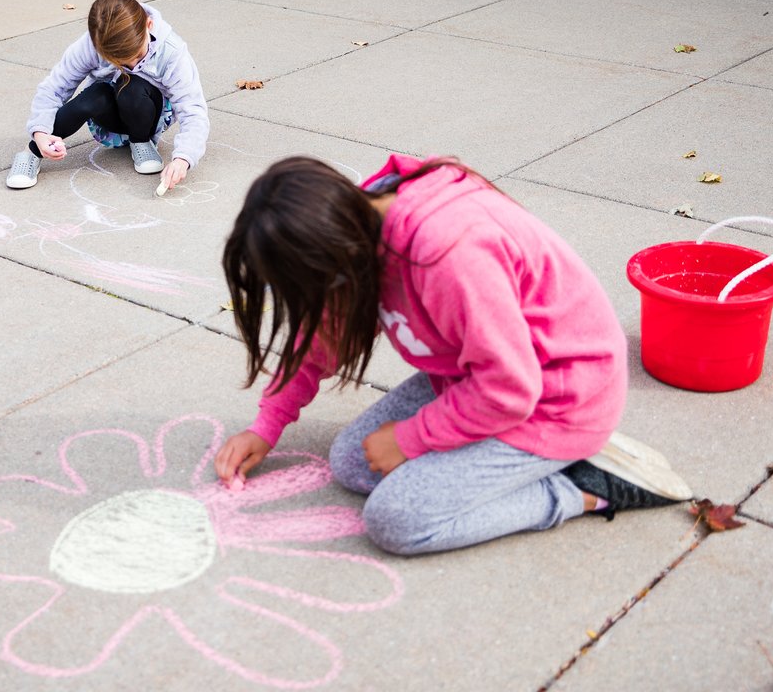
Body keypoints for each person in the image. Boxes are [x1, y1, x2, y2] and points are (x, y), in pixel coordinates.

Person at [215, 154, 692, 556]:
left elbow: (510, 388)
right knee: (352, 463)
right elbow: (324, 336)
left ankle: (580, 487)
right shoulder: (354, 224)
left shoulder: (448, 254)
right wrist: (266, 424)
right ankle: (515, 464)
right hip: (482, 376)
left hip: (560, 400)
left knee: (397, 520)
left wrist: (411, 438)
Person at [7, 0, 209, 190]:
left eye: (137, 54)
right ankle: (31, 152)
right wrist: (40, 133)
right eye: (118, 61)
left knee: (133, 85)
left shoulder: (172, 52)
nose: (131, 64)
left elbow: (192, 109)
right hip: (108, 112)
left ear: (149, 25)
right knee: (92, 97)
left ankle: (141, 141)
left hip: (149, 111)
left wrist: (183, 159)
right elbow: (54, 88)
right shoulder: (91, 43)